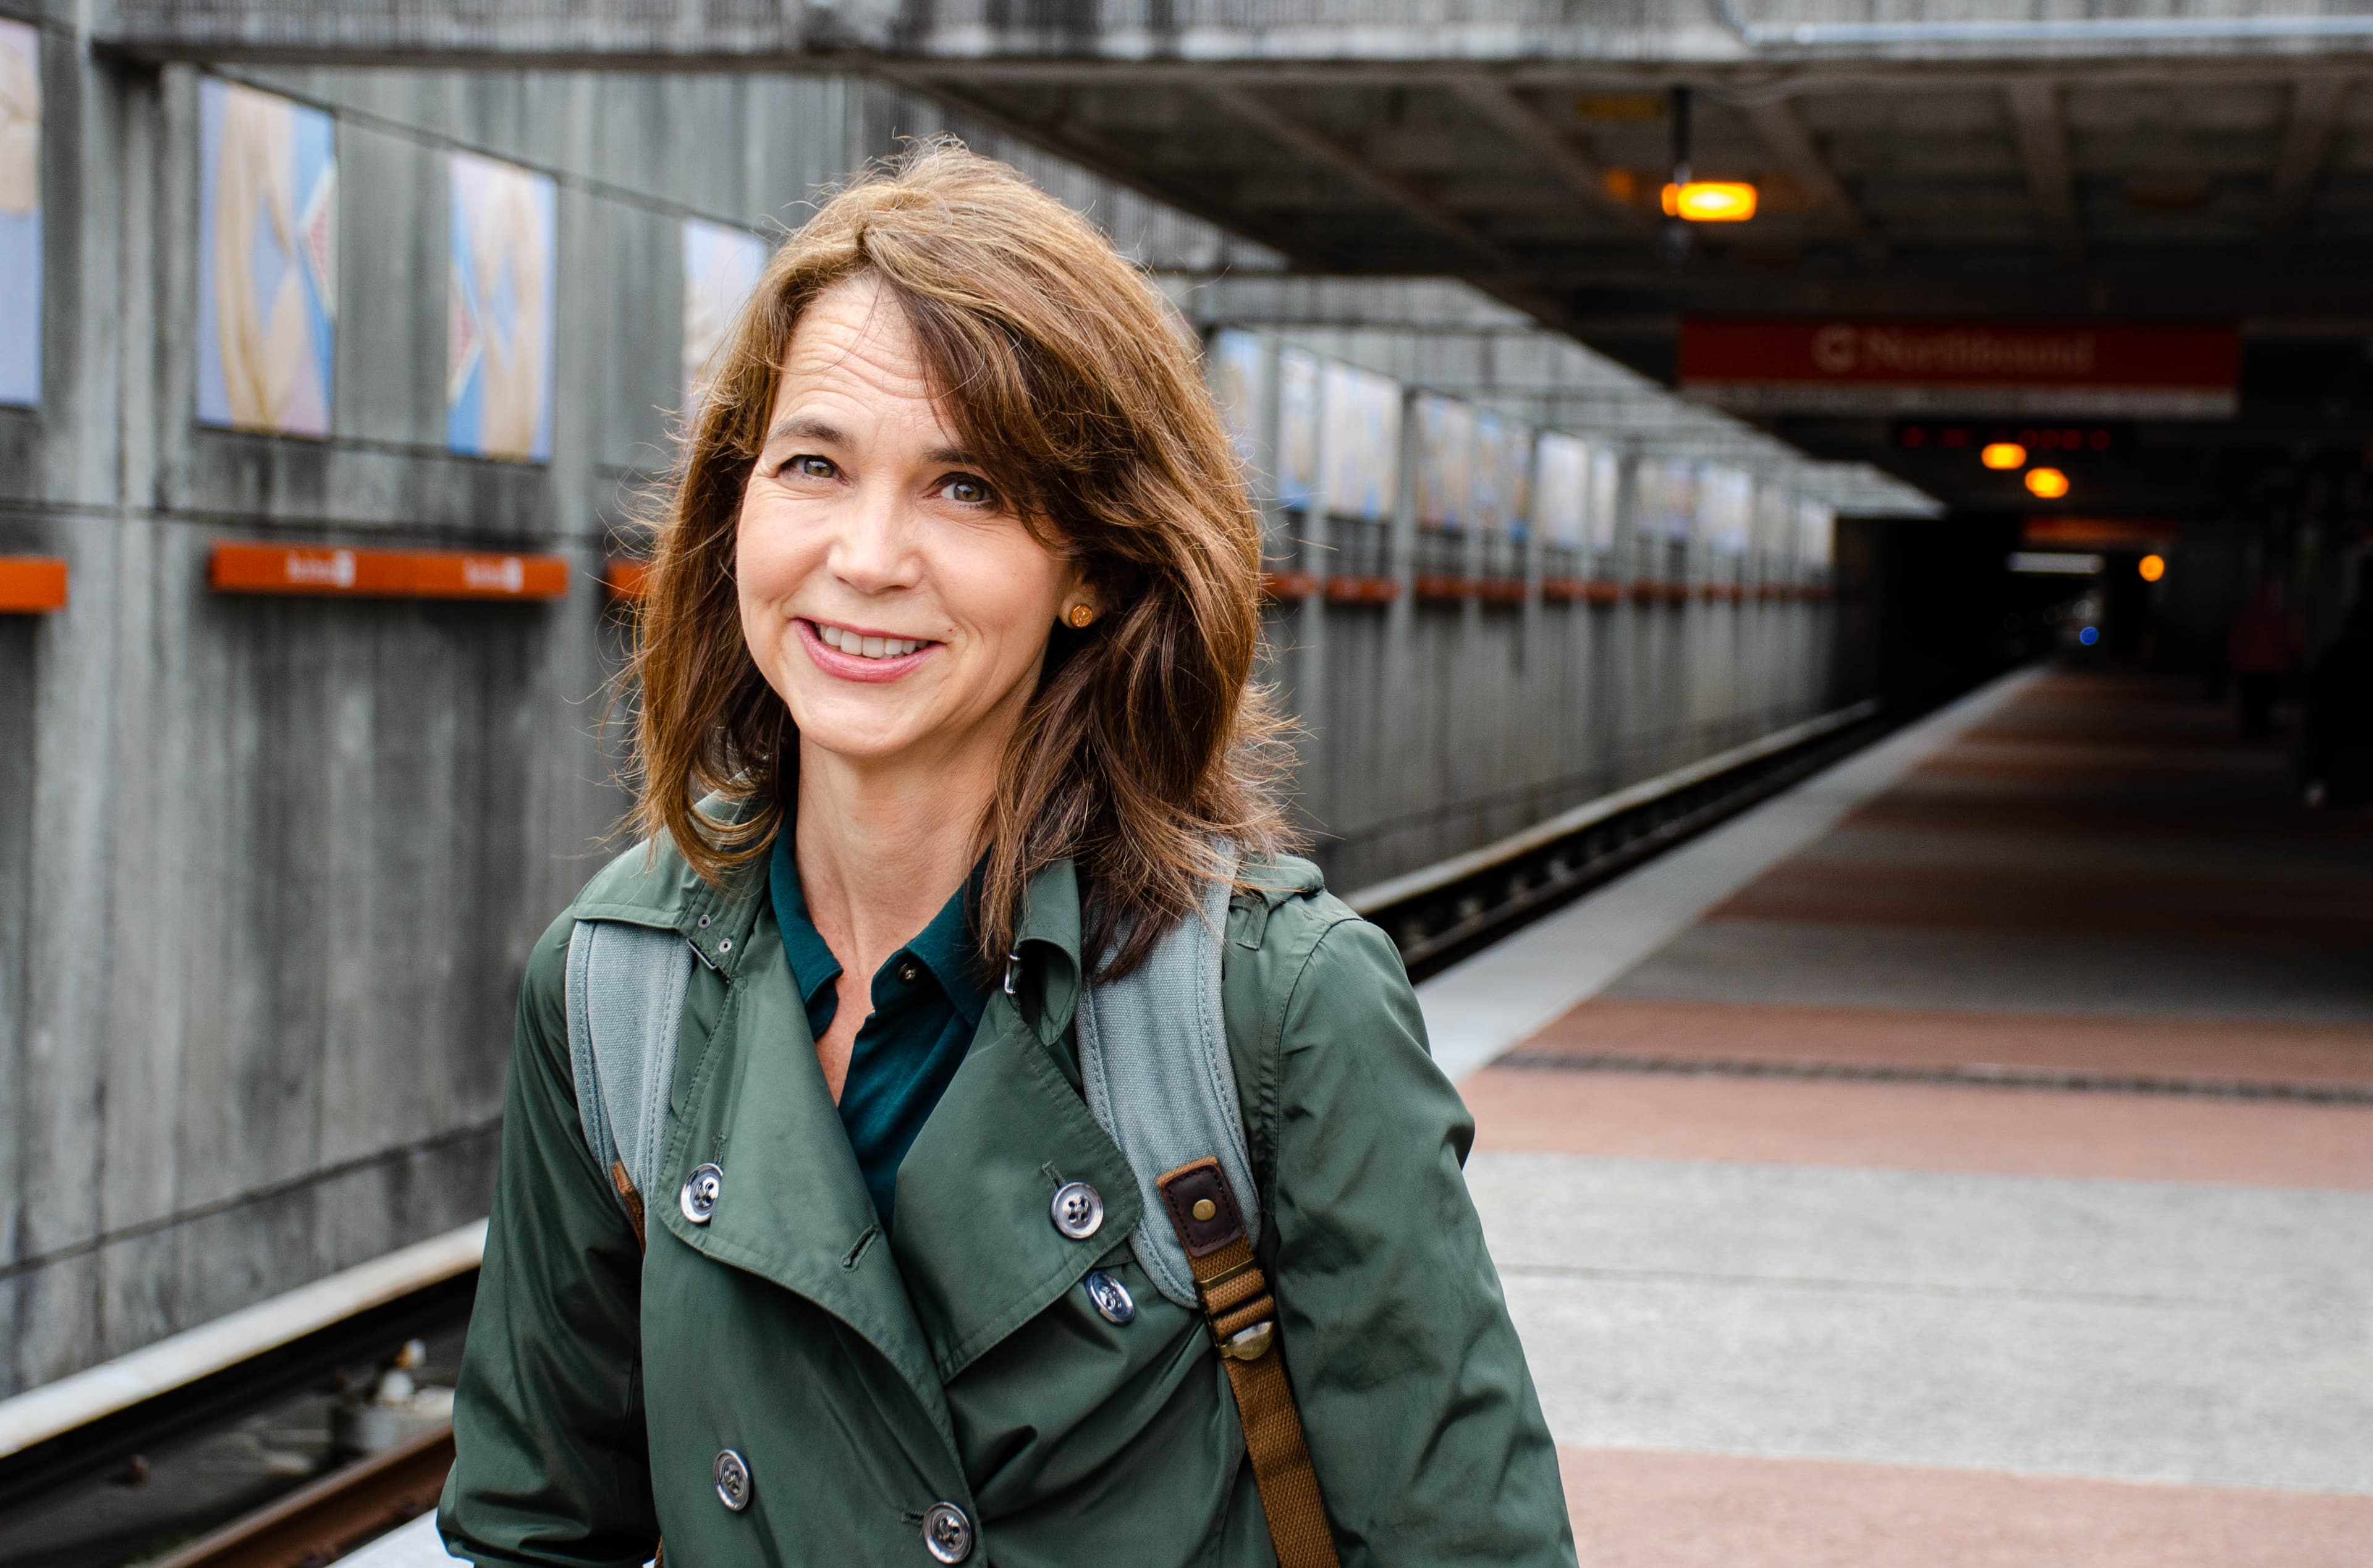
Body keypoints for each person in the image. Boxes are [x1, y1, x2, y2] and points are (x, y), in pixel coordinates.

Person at [439, 144, 1575, 1567]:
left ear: (1094, 568)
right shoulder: (618, 990)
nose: (866, 554)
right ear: (738, 511)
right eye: (813, 465)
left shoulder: (1275, 1013)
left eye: (965, 488)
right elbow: (536, 1533)